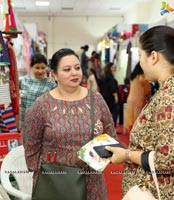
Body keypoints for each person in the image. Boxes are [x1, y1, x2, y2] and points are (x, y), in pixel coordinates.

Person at [106, 25, 174, 199]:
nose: (140, 63)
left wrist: (126, 154)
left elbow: (168, 160)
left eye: (141, 56)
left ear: (154, 57)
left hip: (170, 193)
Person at [22, 48, 117, 200]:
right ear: (53, 75)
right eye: (67, 69)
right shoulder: (42, 105)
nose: (74, 73)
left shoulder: (96, 99)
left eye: (77, 68)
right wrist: (44, 173)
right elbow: (30, 146)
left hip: (92, 182)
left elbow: (110, 135)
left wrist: (91, 161)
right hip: (55, 183)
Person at [19, 53, 56, 129]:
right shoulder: (23, 81)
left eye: (43, 68)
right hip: (24, 121)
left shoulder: (51, 84)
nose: (40, 71)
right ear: (31, 67)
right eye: (37, 68)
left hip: (42, 123)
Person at [124, 62, 152, 133]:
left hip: (130, 99)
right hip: (138, 100)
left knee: (131, 118)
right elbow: (148, 89)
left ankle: (131, 133)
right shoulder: (142, 76)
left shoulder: (132, 76)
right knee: (137, 119)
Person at [100, 62, 120, 127]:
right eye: (112, 67)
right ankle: (112, 127)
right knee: (114, 112)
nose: (114, 68)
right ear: (109, 68)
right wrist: (116, 96)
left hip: (106, 97)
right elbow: (112, 87)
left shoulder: (105, 76)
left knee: (108, 113)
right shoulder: (110, 77)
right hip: (111, 97)